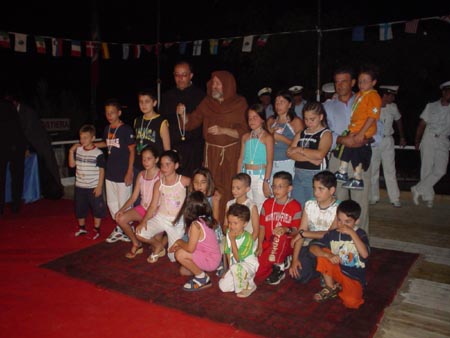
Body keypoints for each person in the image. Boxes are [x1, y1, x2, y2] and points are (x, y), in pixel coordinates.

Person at [176, 70, 248, 225]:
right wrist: (183, 115)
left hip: (231, 153)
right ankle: (211, 224)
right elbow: (192, 121)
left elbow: (245, 131)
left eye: (218, 83)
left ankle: (230, 225)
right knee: (212, 188)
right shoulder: (207, 103)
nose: (213, 86)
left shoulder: (239, 104)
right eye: (213, 83)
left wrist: (224, 130)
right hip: (211, 153)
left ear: (227, 86)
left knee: (230, 189)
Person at [324, 66, 370, 234]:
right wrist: (343, 139)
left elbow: (376, 127)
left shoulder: (364, 101)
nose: (340, 85)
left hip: (359, 156)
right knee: (338, 202)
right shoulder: (328, 106)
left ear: (353, 82)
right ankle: (340, 241)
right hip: (338, 157)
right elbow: (325, 132)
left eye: (344, 81)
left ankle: (361, 242)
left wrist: (363, 139)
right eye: (337, 81)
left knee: (361, 203)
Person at [309, 200, 370, 309]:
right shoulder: (333, 233)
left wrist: (352, 233)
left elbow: (365, 255)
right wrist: (328, 256)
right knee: (323, 253)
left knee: (351, 303)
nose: (342, 225)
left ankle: (342, 287)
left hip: (353, 276)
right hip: (337, 269)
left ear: (356, 221)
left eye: (347, 222)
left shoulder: (360, 234)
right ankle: (330, 287)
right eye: (339, 220)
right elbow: (313, 247)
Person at [4, 92, 64, 200]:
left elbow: (26, 132)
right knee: (42, 169)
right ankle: (47, 192)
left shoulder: (27, 111)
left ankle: (58, 191)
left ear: (14, 102)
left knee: (50, 167)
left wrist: (25, 148)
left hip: (41, 142)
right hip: (33, 145)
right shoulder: (14, 113)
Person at [135, 150, 190, 263]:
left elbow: (197, 195)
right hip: (161, 217)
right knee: (139, 232)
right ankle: (158, 246)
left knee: (173, 258)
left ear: (176, 165)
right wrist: (144, 221)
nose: (164, 167)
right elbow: (153, 206)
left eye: (168, 164)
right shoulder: (158, 184)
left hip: (176, 221)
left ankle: (166, 239)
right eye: (162, 165)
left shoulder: (184, 181)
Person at [95, 99, 136, 244]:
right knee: (112, 203)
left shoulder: (126, 130)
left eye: (112, 112)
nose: (109, 115)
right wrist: (91, 145)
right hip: (110, 172)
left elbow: (132, 151)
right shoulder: (107, 129)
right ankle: (121, 228)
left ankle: (126, 228)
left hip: (123, 173)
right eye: (107, 113)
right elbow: (107, 144)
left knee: (124, 203)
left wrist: (130, 171)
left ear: (119, 113)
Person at [334, 65, 381, 190]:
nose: (361, 84)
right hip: (354, 130)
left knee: (354, 150)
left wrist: (362, 133)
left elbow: (373, 117)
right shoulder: (360, 95)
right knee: (351, 150)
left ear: (374, 82)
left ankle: (352, 176)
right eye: (360, 82)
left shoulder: (372, 96)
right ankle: (351, 175)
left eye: (365, 81)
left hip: (363, 132)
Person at [288, 171, 339, 284]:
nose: (316, 192)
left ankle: (327, 271)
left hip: (328, 247)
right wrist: (294, 259)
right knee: (298, 275)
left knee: (321, 249)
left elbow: (329, 234)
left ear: (331, 190)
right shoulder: (309, 204)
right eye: (314, 188)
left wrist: (304, 233)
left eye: (321, 189)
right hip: (310, 247)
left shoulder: (338, 208)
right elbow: (302, 231)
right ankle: (321, 271)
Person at [159, 61, 206, 177]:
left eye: (184, 75)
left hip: (194, 149)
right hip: (174, 147)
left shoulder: (201, 96)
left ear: (191, 76)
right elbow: (162, 123)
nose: (180, 78)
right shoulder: (166, 96)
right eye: (177, 75)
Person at [168, 191, 222, 291]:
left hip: (211, 259)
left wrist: (179, 242)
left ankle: (202, 278)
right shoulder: (204, 219)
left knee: (179, 254)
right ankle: (202, 272)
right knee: (183, 271)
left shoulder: (196, 226)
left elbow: (190, 249)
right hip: (210, 256)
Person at [255, 171, 302, 285]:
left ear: (289, 188)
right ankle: (278, 261)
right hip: (269, 243)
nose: (276, 190)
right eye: (274, 186)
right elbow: (261, 227)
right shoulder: (267, 204)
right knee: (256, 271)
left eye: (280, 186)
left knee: (279, 235)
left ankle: (279, 266)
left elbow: (297, 231)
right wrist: (260, 244)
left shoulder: (295, 206)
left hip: (287, 243)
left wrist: (286, 229)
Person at [115, 146, 160, 258]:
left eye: (149, 158)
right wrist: (121, 210)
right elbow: (134, 197)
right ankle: (136, 243)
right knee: (120, 218)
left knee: (155, 245)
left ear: (156, 159)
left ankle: (160, 242)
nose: (145, 162)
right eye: (144, 159)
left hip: (156, 212)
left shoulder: (161, 176)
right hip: (142, 209)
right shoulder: (141, 174)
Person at [411, 80, 450, 208]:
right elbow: (422, 124)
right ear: (443, 92)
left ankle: (417, 189)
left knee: (440, 170)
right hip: (429, 137)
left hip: (444, 139)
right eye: (448, 92)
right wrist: (417, 140)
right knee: (426, 168)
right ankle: (428, 197)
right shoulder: (431, 106)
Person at [287, 101, 332, 208]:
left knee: (314, 208)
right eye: (306, 119)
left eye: (312, 119)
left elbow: (320, 154)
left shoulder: (325, 133)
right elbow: (289, 153)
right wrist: (310, 159)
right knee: (298, 207)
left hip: (316, 175)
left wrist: (299, 149)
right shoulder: (301, 133)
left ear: (320, 117)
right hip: (298, 174)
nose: (308, 122)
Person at [369, 85, 406, 208]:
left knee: (390, 169)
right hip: (375, 140)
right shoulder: (374, 106)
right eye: (392, 95)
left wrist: (402, 137)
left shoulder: (393, 107)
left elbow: (399, 121)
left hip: (388, 139)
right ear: (385, 95)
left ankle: (394, 198)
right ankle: (373, 197)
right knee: (373, 169)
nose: (393, 97)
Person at [68, 124, 106, 239]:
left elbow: (102, 171)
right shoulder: (78, 150)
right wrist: (71, 151)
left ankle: (96, 229)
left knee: (97, 208)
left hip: (93, 186)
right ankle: (82, 228)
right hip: (80, 186)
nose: (82, 140)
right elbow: (71, 165)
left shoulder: (98, 153)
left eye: (86, 137)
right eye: (81, 137)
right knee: (80, 208)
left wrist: (99, 186)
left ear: (93, 138)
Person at [237, 103, 274, 210]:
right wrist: (238, 177)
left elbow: (269, 161)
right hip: (246, 176)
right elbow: (241, 159)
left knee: (260, 207)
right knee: (245, 207)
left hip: (260, 177)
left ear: (262, 119)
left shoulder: (267, 138)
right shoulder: (245, 137)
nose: (252, 121)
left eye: (255, 117)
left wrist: (266, 182)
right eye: (249, 118)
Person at [219, 203, 259, 298]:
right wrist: (227, 269)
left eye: (235, 223)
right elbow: (228, 252)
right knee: (223, 286)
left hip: (247, 265)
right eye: (229, 222)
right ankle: (240, 281)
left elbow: (238, 259)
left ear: (245, 223)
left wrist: (232, 240)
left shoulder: (248, 238)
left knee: (237, 268)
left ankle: (250, 285)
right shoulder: (229, 232)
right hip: (235, 266)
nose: (232, 226)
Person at [267, 90, 304, 180]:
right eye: (276, 102)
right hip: (271, 163)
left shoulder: (296, 122)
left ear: (290, 105)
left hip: (288, 163)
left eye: (282, 102)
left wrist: (282, 138)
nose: (278, 105)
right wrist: (270, 135)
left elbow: (301, 145)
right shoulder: (271, 121)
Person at [134, 88, 170, 172]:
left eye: (147, 101)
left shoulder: (161, 122)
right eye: (141, 102)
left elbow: (167, 149)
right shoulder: (137, 120)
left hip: (155, 167)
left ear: (154, 103)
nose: (143, 105)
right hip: (138, 165)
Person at [0, 98, 26, 215]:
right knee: (17, 177)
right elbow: (20, 132)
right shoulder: (14, 114)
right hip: (16, 148)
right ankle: (16, 204)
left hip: (5, 146)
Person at [223, 173, 260, 253]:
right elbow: (225, 225)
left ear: (247, 189)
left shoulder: (251, 206)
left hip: (248, 243)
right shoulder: (229, 204)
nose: (234, 191)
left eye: (238, 188)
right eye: (233, 188)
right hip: (233, 239)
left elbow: (256, 231)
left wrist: (246, 244)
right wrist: (230, 233)